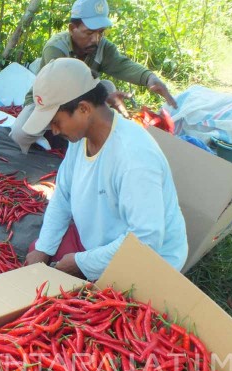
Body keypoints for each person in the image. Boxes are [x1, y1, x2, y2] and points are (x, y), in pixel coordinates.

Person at [22, 58, 187, 281]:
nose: (54, 130)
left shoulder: (133, 157)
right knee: (39, 252)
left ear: (83, 109)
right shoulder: (79, 139)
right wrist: (44, 248)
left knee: (89, 307)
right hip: (98, 241)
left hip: (145, 258)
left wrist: (81, 262)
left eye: (56, 121)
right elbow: (63, 195)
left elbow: (146, 240)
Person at [9, 0, 178, 154]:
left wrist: (149, 78)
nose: (96, 39)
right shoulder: (55, 48)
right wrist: (102, 97)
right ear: (72, 29)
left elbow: (122, 64)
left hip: (79, 105)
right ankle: (54, 132)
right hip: (49, 102)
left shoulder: (102, 47)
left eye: (101, 32)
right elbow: (63, 90)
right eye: (89, 33)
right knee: (19, 136)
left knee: (107, 86)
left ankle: (67, 134)